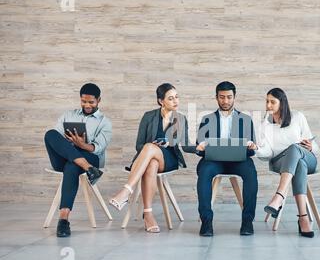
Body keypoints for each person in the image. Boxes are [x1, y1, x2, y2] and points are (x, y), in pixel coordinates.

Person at [109, 83, 195, 233]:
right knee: (151, 162)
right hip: (149, 159)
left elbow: (186, 146)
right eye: (170, 98)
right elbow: (138, 145)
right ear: (161, 101)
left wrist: (200, 147)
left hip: (169, 159)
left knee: (150, 148)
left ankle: (126, 191)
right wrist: (153, 148)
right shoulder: (149, 116)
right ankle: (148, 215)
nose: (176, 101)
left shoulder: (181, 119)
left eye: (176, 97)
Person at [248, 88, 318, 238]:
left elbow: (313, 143)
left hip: (308, 157)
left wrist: (312, 146)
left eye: (273, 102)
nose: (268, 105)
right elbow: (268, 153)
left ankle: (278, 197)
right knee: (299, 165)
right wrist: (257, 149)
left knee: (295, 149)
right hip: (281, 162)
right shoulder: (264, 126)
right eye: (267, 101)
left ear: (282, 103)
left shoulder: (298, 117)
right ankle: (303, 218)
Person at [44, 83, 112, 237]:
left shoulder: (104, 122)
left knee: (72, 166)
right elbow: (56, 139)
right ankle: (88, 169)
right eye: (83, 101)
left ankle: (63, 220)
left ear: (99, 100)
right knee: (50, 134)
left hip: (90, 157)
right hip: (67, 157)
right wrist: (70, 143)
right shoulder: (68, 115)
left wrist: (82, 144)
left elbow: (98, 148)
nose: (87, 105)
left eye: (91, 102)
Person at [195, 81, 258, 236]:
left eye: (229, 97)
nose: (225, 101)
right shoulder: (207, 119)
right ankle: (206, 222)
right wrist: (201, 147)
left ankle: (247, 221)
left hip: (239, 161)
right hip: (213, 161)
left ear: (234, 97)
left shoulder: (246, 119)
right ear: (216, 98)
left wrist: (250, 146)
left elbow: (252, 151)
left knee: (251, 174)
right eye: (222, 97)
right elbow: (199, 146)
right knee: (204, 172)